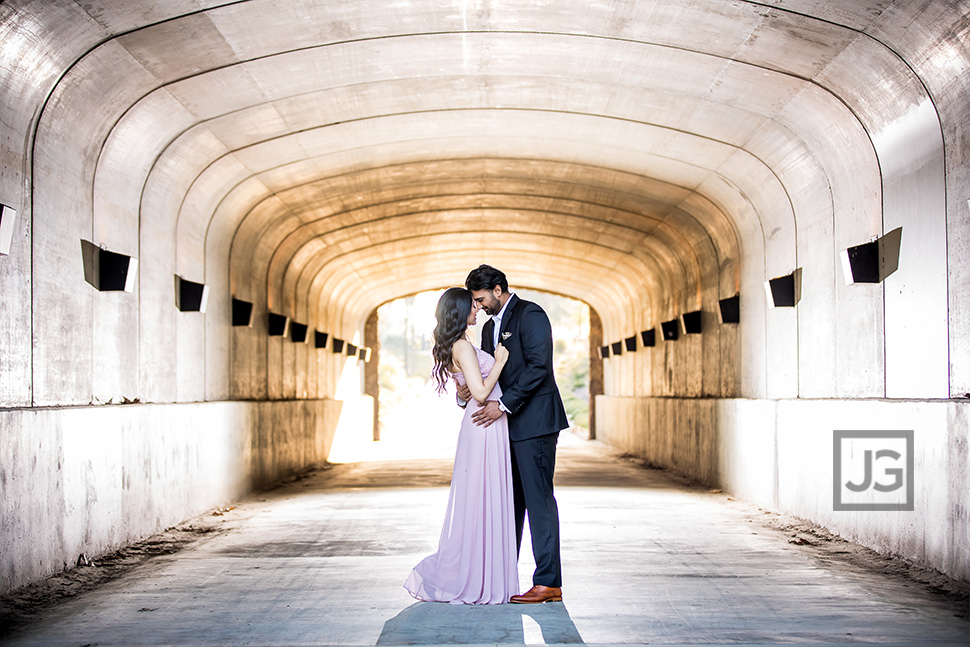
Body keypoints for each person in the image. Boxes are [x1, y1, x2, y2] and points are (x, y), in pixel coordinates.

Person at [457, 264, 569, 604]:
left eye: (480, 299)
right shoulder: (490, 329)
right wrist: (465, 392)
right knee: (510, 503)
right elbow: (487, 374)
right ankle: (504, 577)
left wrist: (503, 404)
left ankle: (548, 582)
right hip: (503, 428)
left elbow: (539, 367)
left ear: (498, 288)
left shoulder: (531, 314)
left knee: (538, 501)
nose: (478, 307)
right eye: (474, 302)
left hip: (535, 424)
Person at [403, 287, 519, 605]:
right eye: (472, 305)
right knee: (483, 497)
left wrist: (467, 388)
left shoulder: (461, 344)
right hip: (484, 422)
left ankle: (483, 572)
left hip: (483, 422)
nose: (477, 309)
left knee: (483, 498)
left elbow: (467, 390)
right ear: (459, 311)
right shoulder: (463, 347)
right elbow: (481, 393)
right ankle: (478, 577)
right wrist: (500, 361)